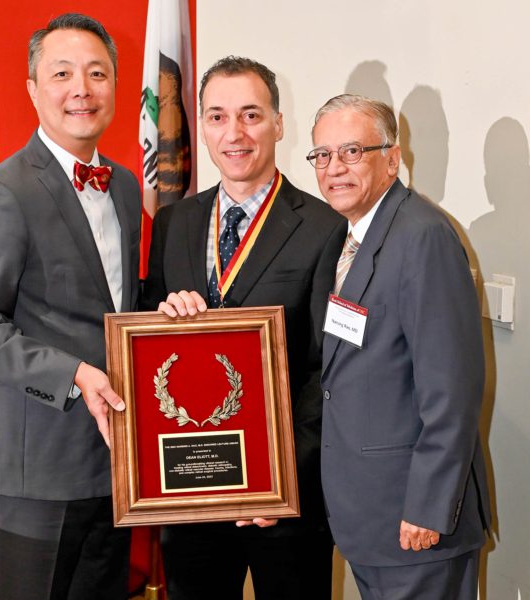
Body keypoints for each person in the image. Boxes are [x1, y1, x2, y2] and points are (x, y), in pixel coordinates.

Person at [0, 13, 141, 600]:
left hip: (115, 465)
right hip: (37, 474)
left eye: (97, 73)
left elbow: (112, 306)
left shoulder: (126, 186)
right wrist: (75, 374)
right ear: (33, 89)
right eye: (62, 73)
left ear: (114, 86)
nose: (82, 88)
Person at [142, 56, 346, 600]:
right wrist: (161, 322)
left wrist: (275, 477)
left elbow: (331, 369)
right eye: (217, 116)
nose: (234, 133)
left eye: (251, 115)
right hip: (189, 492)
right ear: (202, 126)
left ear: (279, 124)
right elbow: (145, 347)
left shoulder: (326, 228)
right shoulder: (174, 223)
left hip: (283, 500)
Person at [309, 94, 490, 599]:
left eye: (351, 152)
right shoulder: (350, 238)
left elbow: (451, 389)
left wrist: (427, 507)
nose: (334, 168)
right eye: (322, 155)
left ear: (392, 158)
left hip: (416, 526)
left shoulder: (423, 236)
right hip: (371, 519)